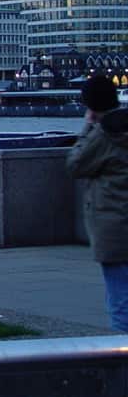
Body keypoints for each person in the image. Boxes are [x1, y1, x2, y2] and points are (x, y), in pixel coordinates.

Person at [66, 75, 128, 331]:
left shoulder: (105, 134)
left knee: (120, 303)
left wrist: (87, 128)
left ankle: (121, 365)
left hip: (114, 226)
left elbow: (76, 165)